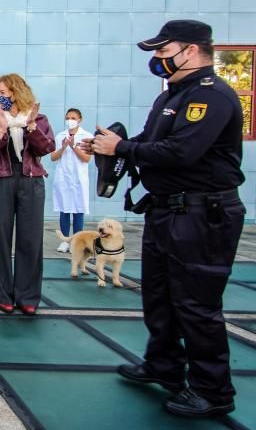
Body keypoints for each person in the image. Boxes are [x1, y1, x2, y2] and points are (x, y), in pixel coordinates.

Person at [86, 20, 245, 417]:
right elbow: (148, 141)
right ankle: (164, 365)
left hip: (203, 213)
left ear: (190, 50)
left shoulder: (212, 96)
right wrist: (113, 145)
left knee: (196, 303)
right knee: (159, 295)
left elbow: (181, 152)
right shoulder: (171, 96)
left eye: (162, 51)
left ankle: (213, 390)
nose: (157, 59)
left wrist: (122, 147)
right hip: (168, 210)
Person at [0, 73, 55, 315]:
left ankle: (28, 296)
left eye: (4, 92)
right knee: (0, 239)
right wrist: (1, 130)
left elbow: (47, 147)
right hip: (1, 179)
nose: (0, 97)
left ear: (17, 91)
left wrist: (31, 127)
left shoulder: (38, 118)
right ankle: (5, 295)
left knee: (30, 239)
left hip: (31, 180)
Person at [50, 108, 93, 252]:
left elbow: (86, 158)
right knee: (64, 210)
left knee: (78, 210)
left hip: (79, 179)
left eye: (73, 118)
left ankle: (77, 242)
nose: (70, 120)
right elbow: (53, 157)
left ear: (80, 119)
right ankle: (64, 241)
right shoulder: (60, 136)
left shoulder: (87, 136)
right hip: (63, 178)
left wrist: (73, 146)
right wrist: (63, 147)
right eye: (68, 117)